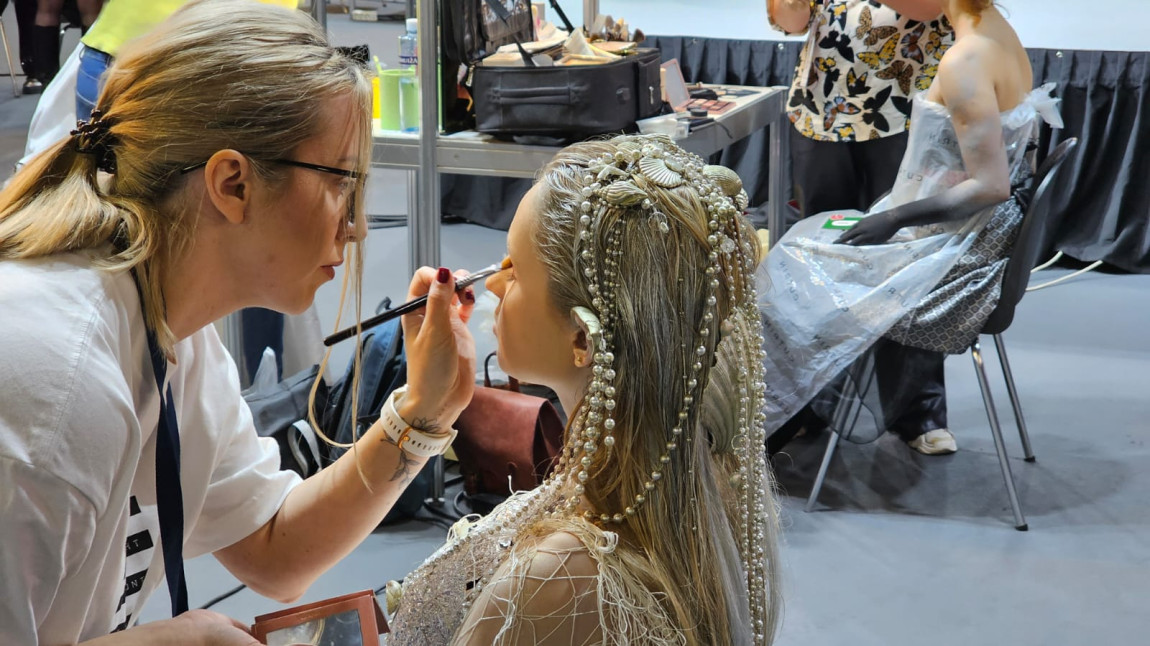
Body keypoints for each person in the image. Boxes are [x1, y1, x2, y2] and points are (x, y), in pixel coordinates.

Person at [0, 1, 478, 643]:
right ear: (232, 183)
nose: (359, 226)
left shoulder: (173, 331)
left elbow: (274, 549)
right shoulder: (55, 389)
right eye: (342, 184)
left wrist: (423, 413)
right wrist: (178, 640)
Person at [387, 134, 782, 645]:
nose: (492, 285)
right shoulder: (697, 486)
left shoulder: (558, 579)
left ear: (581, 338)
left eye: (514, 269)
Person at [758, 0, 1062, 445]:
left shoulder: (965, 60)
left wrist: (895, 217)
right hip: (838, 117)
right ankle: (806, 405)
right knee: (811, 247)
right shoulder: (997, 34)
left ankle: (780, 423)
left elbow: (988, 185)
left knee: (787, 267)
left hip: (943, 241)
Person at [767, 0, 958, 455]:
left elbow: (933, 9)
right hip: (822, 112)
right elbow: (791, 21)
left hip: (905, 109)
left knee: (905, 258)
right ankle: (807, 406)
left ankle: (918, 411)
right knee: (816, 267)